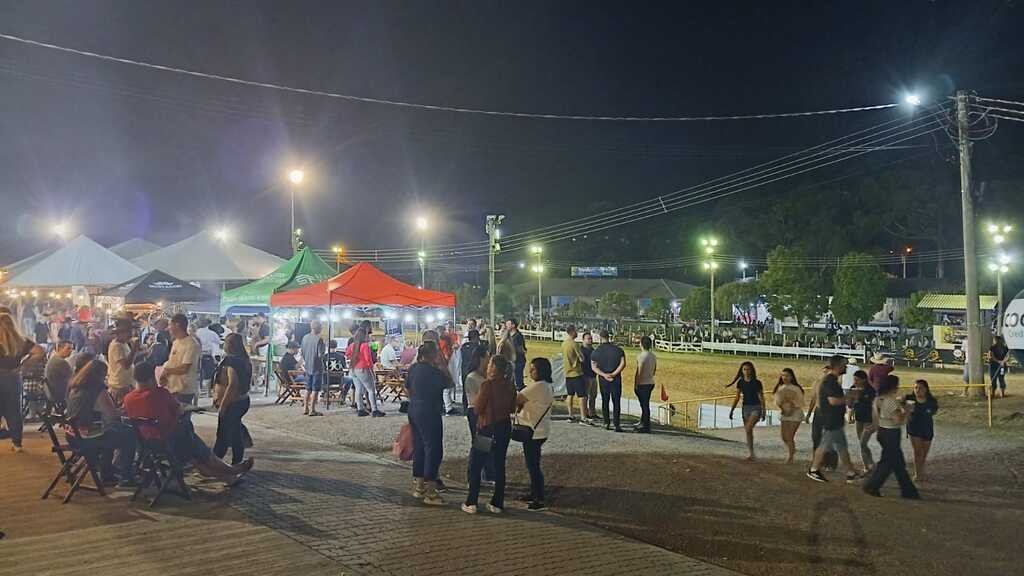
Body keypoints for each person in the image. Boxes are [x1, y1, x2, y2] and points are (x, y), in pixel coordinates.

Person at [124, 360, 253, 484]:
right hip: (172, 440)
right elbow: (179, 410)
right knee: (196, 448)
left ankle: (229, 478)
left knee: (196, 458)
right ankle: (232, 470)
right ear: (152, 377)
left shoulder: (128, 399)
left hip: (147, 444)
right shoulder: (160, 394)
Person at [65, 359, 137, 487]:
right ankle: (125, 474)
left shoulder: (75, 386)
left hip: (72, 434)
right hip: (88, 436)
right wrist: (124, 409)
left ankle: (107, 471)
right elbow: (111, 415)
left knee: (114, 431)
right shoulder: (98, 389)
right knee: (129, 435)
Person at [463, 355, 517, 515]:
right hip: (504, 427)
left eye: (490, 364)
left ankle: (471, 501)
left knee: (476, 463)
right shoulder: (509, 385)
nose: (487, 366)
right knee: (499, 464)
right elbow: (513, 407)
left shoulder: (487, 385)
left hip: (487, 426)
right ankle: (497, 502)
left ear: (494, 368)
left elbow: (478, 407)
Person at [863, 374, 920, 498]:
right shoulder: (890, 401)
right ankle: (872, 486)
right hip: (891, 434)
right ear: (893, 386)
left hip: (883, 431)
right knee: (888, 464)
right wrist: (908, 410)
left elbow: (876, 417)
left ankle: (908, 491)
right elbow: (898, 420)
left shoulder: (878, 399)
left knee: (898, 464)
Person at [405, 342, 448, 505]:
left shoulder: (414, 369)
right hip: (430, 410)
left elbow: (407, 388)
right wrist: (442, 364)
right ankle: (431, 491)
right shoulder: (434, 372)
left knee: (419, 446)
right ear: (432, 355)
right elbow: (449, 382)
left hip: (414, 408)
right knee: (433, 448)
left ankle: (419, 486)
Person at [807, 355, 860, 484]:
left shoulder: (832, 380)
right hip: (831, 419)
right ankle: (814, 470)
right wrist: (850, 396)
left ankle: (850, 472)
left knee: (841, 447)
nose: (846, 366)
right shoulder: (830, 381)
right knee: (825, 445)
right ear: (837, 366)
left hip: (834, 419)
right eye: (844, 364)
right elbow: (833, 401)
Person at [0, 313, 44, 452]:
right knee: (14, 411)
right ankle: (17, 443)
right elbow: (39, 351)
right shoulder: (21, 340)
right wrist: (23, 366)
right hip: (13, 378)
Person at [517, 357, 554, 511]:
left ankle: (539, 498)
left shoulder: (538, 386)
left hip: (533, 431)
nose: (530, 372)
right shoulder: (547, 386)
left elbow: (517, 398)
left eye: (533, 369)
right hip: (539, 430)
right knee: (533, 464)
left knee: (533, 465)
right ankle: (534, 493)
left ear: (542, 371)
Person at [213, 333, 252, 465]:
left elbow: (232, 385)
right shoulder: (244, 360)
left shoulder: (232, 362)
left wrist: (223, 405)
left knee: (224, 434)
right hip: (241, 401)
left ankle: (216, 462)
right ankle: (235, 461)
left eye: (226, 342)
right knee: (234, 431)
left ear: (230, 345)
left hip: (233, 402)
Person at [160, 314, 200, 405]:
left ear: (177, 325)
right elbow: (172, 363)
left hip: (184, 389)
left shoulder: (191, 344)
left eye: (170, 325)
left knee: (182, 417)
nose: (168, 328)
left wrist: (167, 371)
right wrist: (164, 375)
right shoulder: (176, 342)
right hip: (173, 387)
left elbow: (184, 368)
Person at [728, 361, 764, 460]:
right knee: (748, 431)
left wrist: (763, 410)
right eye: (744, 369)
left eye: (748, 369)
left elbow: (761, 397)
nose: (746, 371)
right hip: (745, 408)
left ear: (752, 370)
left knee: (748, 428)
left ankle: (752, 453)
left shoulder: (757, 383)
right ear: (742, 371)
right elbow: (737, 397)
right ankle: (751, 453)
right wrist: (732, 410)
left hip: (756, 407)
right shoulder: (740, 383)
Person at [591, 330, 626, 432]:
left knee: (605, 401)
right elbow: (623, 363)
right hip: (616, 379)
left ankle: (606, 422)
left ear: (600, 338)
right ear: (609, 337)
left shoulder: (596, 351)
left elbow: (594, 367)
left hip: (603, 379)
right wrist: (614, 373)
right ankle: (617, 424)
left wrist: (604, 374)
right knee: (616, 401)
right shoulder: (618, 350)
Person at [906, 379, 939, 482]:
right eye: (915, 387)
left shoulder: (931, 401)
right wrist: (905, 409)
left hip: (927, 429)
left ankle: (921, 470)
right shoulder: (909, 399)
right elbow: (899, 407)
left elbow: (933, 411)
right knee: (917, 452)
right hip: (914, 429)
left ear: (926, 389)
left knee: (924, 453)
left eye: (920, 388)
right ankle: (917, 474)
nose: (917, 390)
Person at [348, 327, 384, 417]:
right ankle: (375, 410)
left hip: (353, 368)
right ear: (364, 336)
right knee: (371, 389)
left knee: (358, 389)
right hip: (363, 368)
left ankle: (360, 409)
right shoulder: (365, 345)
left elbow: (347, 354)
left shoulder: (352, 345)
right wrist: (372, 369)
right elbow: (368, 359)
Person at [772, 368, 804, 464]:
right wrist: (783, 409)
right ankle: (792, 449)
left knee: (790, 436)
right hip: (784, 413)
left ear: (791, 377)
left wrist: (791, 409)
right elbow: (777, 401)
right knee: (784, 436)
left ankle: (790, 457)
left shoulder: (796, 388)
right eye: (783, 375)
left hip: (795, 414)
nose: (785, 377)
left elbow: (799, 402)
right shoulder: (779, 388)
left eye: (787, 375)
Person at [106, 319, 138, 405]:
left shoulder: (123, 344)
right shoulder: (117, 346)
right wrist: (134, 349)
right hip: (120, 386)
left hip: (126, 384)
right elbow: (126, 365)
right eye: (128, 332)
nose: (130, 335)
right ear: (119, 333)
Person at [850, 369, 877, 473]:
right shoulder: (853, 388)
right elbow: (851, 404)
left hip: (868, 419)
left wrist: (875, 422)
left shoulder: (870, 391)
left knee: (862, 442)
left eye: (857, 380)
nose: (855, 381)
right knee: (862, 443)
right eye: (854, 379)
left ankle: (870, 463)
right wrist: (851, 413)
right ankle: (866, 466)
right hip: (859, 418)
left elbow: (875, 407)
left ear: (864, 379)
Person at [561, 326, 587, 423]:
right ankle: (583, 417)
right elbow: (581, 358)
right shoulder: (574, 344)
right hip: (576, 372)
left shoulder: (563, 344)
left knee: (570, 394)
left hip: (567, 373)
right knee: (582, 396)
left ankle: (570, 415)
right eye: (576, 331)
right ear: (572, 332)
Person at [301, 321, 325, 416]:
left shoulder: (305, 338)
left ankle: (305, 408)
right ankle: (312, 409)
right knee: (315, 389)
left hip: (307, 366)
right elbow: (321, 354)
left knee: (308, 388)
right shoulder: (319, 339)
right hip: (317, 367)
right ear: (319, 328)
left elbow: (302, 352)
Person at [634, 336, 657, 433]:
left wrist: (636, 383)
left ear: (641, 344)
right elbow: (654, 369)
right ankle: (643, 422)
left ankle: (646, 426)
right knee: (645, 404)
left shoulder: (641, 356)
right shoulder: (653, 356)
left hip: (643, 383)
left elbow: (639, 370)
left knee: (644, 405)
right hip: (650, 382)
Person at [194, 318, 222, 394]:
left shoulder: (197, 332)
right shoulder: (211, 333)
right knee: (209, 374)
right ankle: (208, 392)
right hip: (208, 355)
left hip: (198, 355)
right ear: (208, 324)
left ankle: (198, 391)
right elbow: (219, 341)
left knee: (198, 374)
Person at [506, 319, 528, 390]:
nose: (507, 326)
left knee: (518, 382)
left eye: (508, 324)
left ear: (513, 325)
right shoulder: (510, 336)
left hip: (518, 361)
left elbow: (521, 349)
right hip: (514, 361)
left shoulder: (517, 336)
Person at [581, 331, 598, 422]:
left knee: (593, 395)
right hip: (585, 375)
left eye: (591, 338)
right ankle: (585, 413)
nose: (590, 340)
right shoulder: (581, 350)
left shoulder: (593, 350)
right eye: (588, 338)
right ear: (583, 340)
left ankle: (592, 412)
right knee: (585, 396)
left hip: (593, 375)